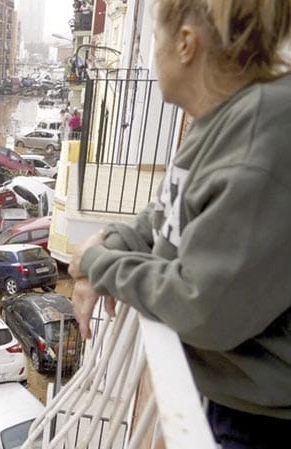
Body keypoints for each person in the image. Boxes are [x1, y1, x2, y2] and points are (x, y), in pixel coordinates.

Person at [68, 1, 291, 448]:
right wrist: (114, 240)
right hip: (234, 399)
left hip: (264, 426)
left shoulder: (258, 138)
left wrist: (99, 262)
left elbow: (202, 307)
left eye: (155, 39)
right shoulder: (224, 120)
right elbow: (166, 212)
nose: (154, 54)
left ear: (186, 44)